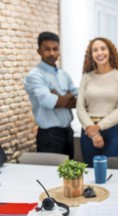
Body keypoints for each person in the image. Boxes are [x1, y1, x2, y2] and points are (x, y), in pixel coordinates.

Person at [77, 37, 118, 167]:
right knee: (90, 171)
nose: (99, 53)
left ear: (110, 51)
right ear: (91, 55)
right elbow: (80, 107)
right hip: (89, 132)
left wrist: (98, 127)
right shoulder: (86, 77)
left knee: (112, 171)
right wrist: (92, 131)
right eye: (95, 50)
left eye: (103, 48)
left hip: (113, 132)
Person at [24, 31, 77, 159]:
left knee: (69, 176)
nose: (52, 53)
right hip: (49, 136)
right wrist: (68, 95)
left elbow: (77, 101)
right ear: (39, 51)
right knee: (49, 176)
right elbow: (50, 102)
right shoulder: (35, 75)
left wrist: (60, 97)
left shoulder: (63, 74)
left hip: (68, 133)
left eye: (55, 49)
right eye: (47, 49)